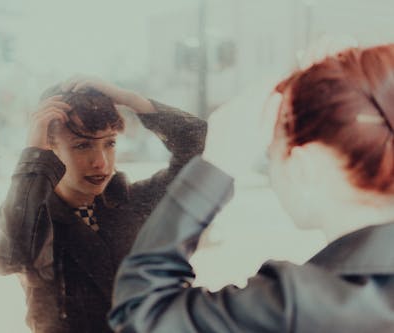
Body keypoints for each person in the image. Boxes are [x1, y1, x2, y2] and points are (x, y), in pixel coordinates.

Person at [109, 44, 394, 332]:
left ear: (303, 168)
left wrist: (218, 163)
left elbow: (142, 312)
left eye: (271, 154)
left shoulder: (301, 306)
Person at [0, 77, 207, 333]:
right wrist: (34, 155)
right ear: (50, 149)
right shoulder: (35, 220)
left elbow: (202, 148)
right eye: (82, 146)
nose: (101, 162)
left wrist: (134, 101)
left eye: (110, 143)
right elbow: (11, 257)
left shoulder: (134, 202)